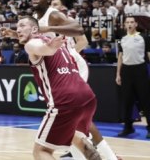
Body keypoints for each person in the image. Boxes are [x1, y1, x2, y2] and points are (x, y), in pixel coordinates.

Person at [3, 0, 118, 160]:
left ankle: (111, 157)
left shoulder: (52, 15)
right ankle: (92, 155)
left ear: (49, 0)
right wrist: (16, 35)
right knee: (76, 130)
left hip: (68, 67)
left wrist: (61, 50)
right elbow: (34, 40)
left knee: (47, 144)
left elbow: (79, 33)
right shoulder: (34, 21)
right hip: (70, 75)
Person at [16, 16, 100, 160]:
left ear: (35, 29)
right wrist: (50, 47)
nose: (18, 29)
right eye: (17, 27)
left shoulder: (32, 44)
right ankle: (91, 152)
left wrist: (49, 48)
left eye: (22, 25)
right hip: (87, 97)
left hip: (65, 101)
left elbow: (42, 49)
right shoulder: (57, 42)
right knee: (78, 140)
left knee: (41, 151)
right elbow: (45, 46)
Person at [116, 16, 150, 139]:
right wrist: (118, 74)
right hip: (126, 71)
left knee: (145, 101)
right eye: (127, 22)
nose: (129, 24)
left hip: (140, 70)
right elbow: (120, 56)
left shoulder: (143, 37)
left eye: (132, 22)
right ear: (124, 24)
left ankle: (149, 128)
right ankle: (128, 128)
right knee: (127, 101)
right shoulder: (123, 39)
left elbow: (148, 54)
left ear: (136, 24)